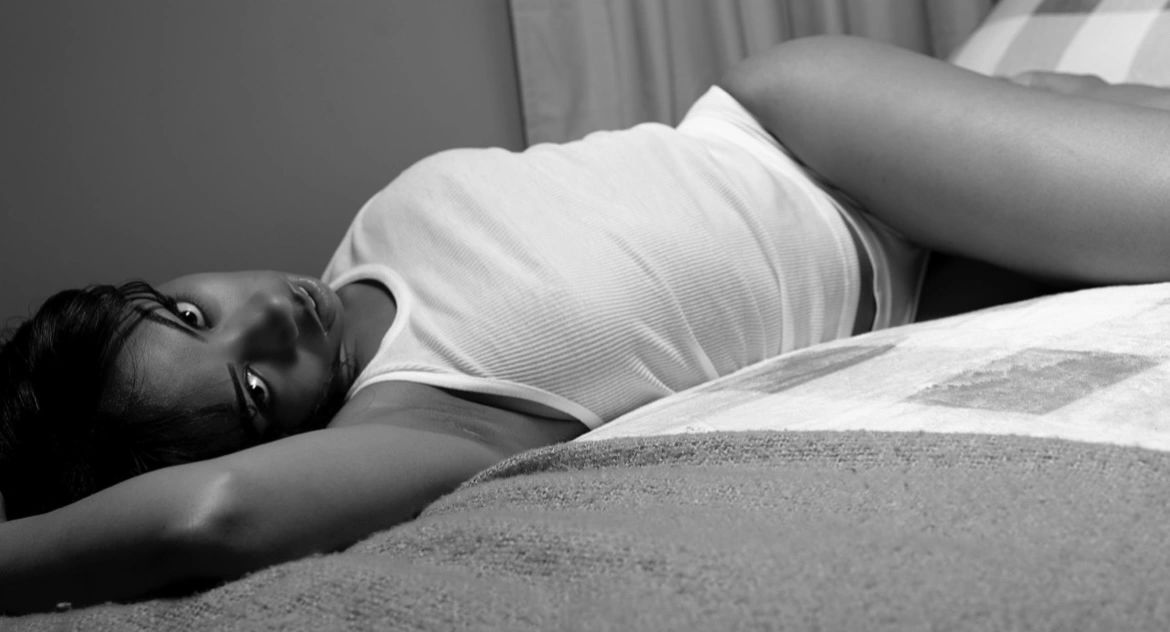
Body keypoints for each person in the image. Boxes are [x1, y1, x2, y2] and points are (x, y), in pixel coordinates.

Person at [2, 35, 1169, 614]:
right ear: (275, 443)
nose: (265, 318)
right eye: (253, 388)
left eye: (192, 311)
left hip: (807, 130)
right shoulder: (418, 417)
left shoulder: (362, 241)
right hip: (900, 281)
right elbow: (204, 514)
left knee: (1066, 106)